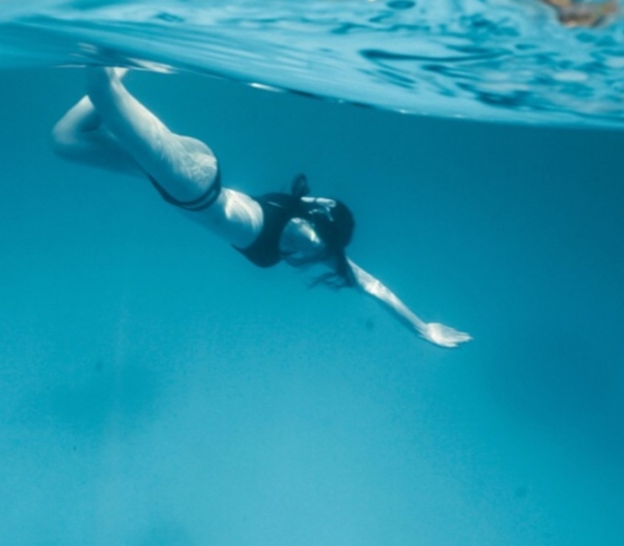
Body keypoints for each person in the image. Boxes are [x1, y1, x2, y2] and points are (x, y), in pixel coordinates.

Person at [52, 68, 471, 348]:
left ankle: (122, 62)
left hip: (177, 185)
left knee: (67, 139)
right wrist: (422, 330)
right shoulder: (306, 233)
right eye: (318, 233)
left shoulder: (313, 241)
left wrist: (422, 328)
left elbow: (372, 285)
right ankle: (113, 31)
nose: (307, 246)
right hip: (191, 181)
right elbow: (363, 278)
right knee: (102, 90)